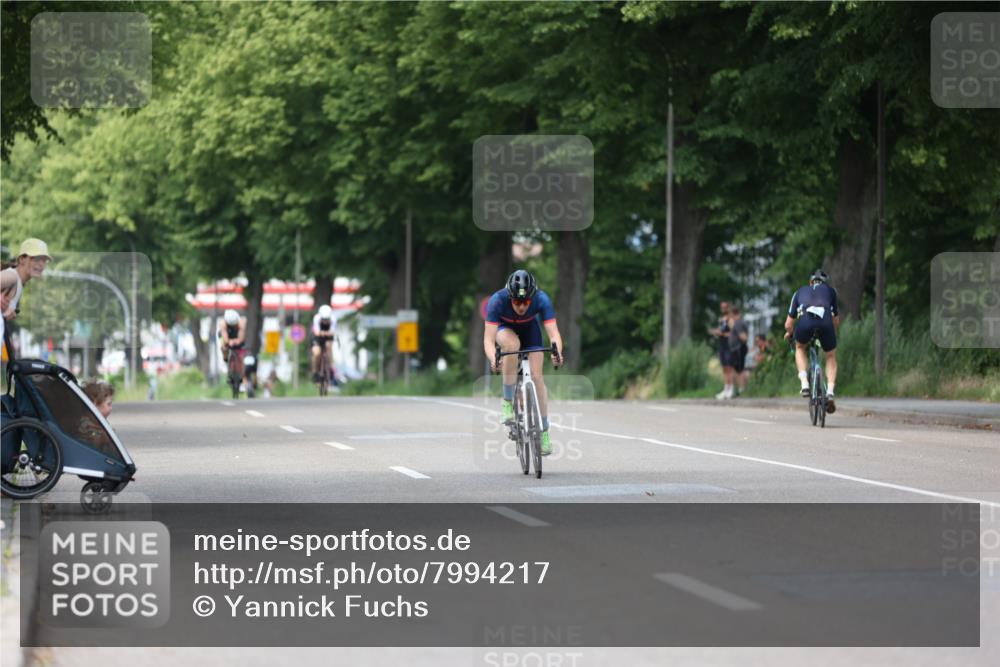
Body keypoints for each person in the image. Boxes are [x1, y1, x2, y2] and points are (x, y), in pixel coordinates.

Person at [483, 269, 563, 456]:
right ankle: (508, 402)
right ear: (510, 296)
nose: (521, 306)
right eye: (517, 302)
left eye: (526, 302)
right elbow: (488, 340)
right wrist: (493, 358)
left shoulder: (542, 299)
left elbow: (554, 334)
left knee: (537, 377)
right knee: (512, 344)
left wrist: (557, 352)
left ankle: (544, 433)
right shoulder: (497, 301)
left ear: (532, 297)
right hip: (505, 329)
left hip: (530, 330)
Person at [784, 269, 840, 412]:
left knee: (800, 347)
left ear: (810, 282)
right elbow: (836, 320)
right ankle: (830, 392)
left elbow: (788, 324)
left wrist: (789, 333)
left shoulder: (799, 292)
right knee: (830, 355)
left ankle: (804, 383)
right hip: (825, 322)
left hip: (805, 323)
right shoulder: (831, 291)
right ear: (824, 283)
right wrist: (831, 332)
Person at [1, 238, 52, 321]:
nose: (41, 264)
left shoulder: (18, 282)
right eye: (36, 258)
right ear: (22, 259)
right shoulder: (12, 277)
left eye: (44, 260)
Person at [709, 301, 734, 399]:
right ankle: (726, 388)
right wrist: (716, 332)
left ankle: (731, 389)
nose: (723, 309)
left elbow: (733, 333)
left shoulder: (730, 320)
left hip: (729, 345)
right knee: (724, 367)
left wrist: (722, 334)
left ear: (728, 308)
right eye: (722, 307)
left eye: (725, 307)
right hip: (722, 345)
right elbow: (720, 330)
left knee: (729, 367)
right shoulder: (721, 320)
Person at [727, 304, 749, 396]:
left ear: (732, 313)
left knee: (740, 368)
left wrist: (734, 328)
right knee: (736, 368)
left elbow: (744, 337)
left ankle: (742, 388)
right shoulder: (737, 323)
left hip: (739, 347)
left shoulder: (738, 323)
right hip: (735, 348)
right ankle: (739, 388)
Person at [310, 304, 336, 383]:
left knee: (329, 347)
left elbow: (333, 331)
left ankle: (330, 367)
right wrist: (325, 333)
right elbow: (317, 332)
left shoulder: (333, 319)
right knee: (316, 353)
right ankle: (315, 372)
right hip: (317, 336)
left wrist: (326, 333)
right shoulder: (316, 318)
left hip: (327, 336)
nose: (325, 321)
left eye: (326, 319)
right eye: (323, 319)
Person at [218, 309, 247, 378]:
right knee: (223, 347)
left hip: (236, 335)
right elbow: (225, 339)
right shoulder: (223, 323)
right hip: (225, 334)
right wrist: (228, 342)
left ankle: (241, 374)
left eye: (234, 325)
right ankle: (225, 358)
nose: (233, 326)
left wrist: (237, 341)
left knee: (241, 355)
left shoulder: (241, 323)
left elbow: (241, 338)